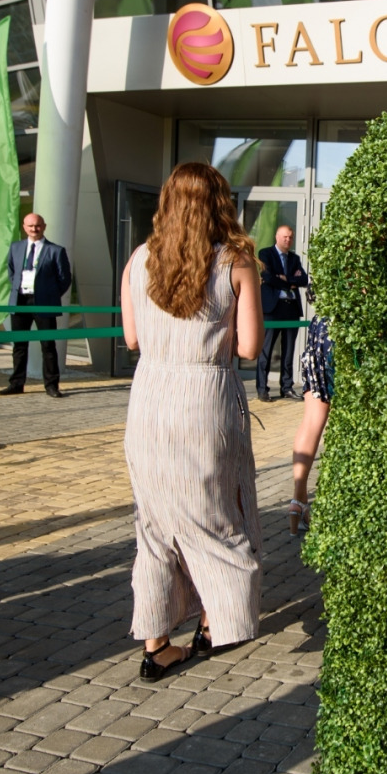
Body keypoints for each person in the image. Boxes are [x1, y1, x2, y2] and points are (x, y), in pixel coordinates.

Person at [121, 162, 265, 681]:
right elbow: (249, 346)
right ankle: (215, 622)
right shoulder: (236, 261)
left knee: (155, 523)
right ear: (219, 203)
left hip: (149, 399)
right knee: (217, 513)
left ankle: (157, 643)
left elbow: (132, 340)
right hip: (205, 399)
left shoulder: (139, 259)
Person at [0, 213, 73, 398]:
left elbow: (64, 279)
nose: (34, 229)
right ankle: (16, 384)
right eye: (30, 226)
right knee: (19, 346)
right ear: (24, 227)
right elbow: (11, 271)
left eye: (38, 225)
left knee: (48, 346)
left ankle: (51, 386)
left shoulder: (56, 250)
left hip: (44, 303)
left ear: (44, 227)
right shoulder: (15, 247)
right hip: (20, 301)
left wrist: (50, 295)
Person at [287, 272, 333, 536]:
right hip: (345, 333)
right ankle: (330, 503)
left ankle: (297, 498)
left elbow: (312, 294)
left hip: (320, 330)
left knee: (311, 419)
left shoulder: (327, 248)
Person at [256, 224, 309, 402]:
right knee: (266, 350)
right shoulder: (266, 254)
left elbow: (303, 279)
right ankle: (262, 389)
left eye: (290, 237)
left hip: (291, 309)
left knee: (289, 352)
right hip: (272, 309)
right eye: (285, 237)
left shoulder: (294, 258)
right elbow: (268, 277)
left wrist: (285, 278)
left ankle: (286, 387)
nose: (288, 240)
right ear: (277, 237)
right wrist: (289, 281)